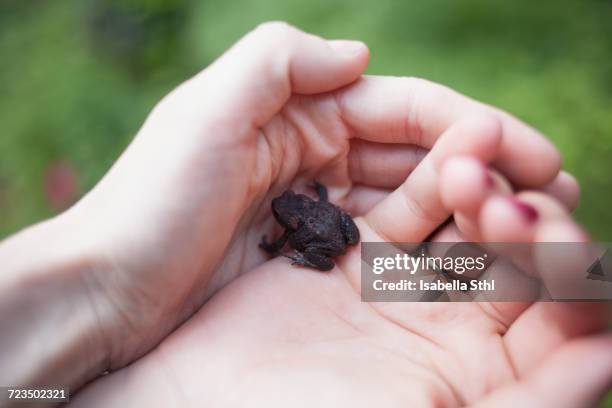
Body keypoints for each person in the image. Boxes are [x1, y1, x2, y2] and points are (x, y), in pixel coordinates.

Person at [0, 22, 609, 407]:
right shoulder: (300, 214)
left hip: (339, 243)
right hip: (342, 238)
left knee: (562, 272)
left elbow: (24, 391)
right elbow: (322, 216)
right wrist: (98, 295)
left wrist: (87, 309)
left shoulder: (24, 385)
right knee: (561, 272)